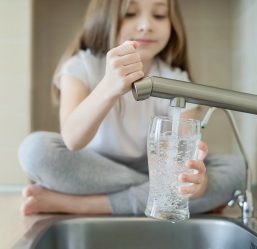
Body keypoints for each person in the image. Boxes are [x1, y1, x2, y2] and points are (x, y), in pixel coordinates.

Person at [18, 0, 245, 216]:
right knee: (35, 150)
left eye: (159, 15)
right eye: (130, 13)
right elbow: (72, 139)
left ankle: (83, 204)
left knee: (236, 169)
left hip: (153, 169)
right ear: (105, 17)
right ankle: (151, 193)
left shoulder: (176, 79)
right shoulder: (81, 66)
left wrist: (195, 182)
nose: (146, 26)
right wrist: (108, 87)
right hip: (91, 168)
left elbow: (181, 159)